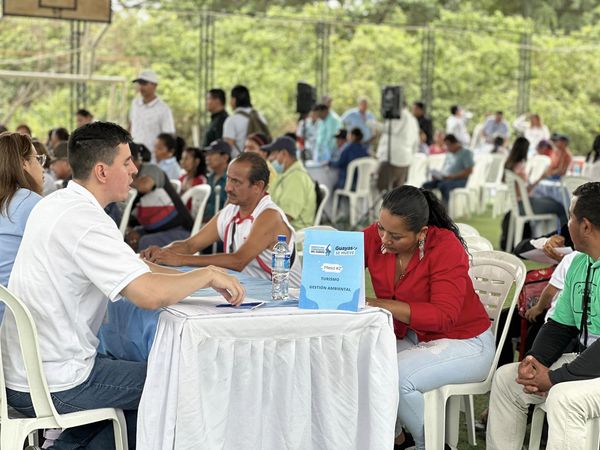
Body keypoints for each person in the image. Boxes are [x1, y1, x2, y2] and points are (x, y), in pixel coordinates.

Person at [1, 122, 244, 450]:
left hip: (25, 373)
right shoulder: (85, 221)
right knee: (179, 381)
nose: (134, 170)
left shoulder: (57, 203)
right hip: (56, 382)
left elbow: (136, 267)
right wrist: (207, 275)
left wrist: (191, 276)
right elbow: (148, 294)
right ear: (102, 171)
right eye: (127, 161)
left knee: (138, 374)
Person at [364, 186, 494, 450]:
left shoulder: (445, 246)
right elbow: (342, 257)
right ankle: (397, 440)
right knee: (362, 361)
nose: (384, 239)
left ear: (421, 233)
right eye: (381, 228)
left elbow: (444, 316)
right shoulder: (379, 235)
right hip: (414, 336)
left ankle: (432, 445)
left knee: (397, 377)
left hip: (466, 342)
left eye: (395, 236)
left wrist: (381, 304)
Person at [487, 182, 600, 450]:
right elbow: (560, 325)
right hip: (587, 361)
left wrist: (554, 378)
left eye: (570, 217)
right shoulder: (578, 262)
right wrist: (535, 361)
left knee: (563, 397)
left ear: (585, 226)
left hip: (592, 365)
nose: (566, 224)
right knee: (508, 380)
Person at [141, 152, 302, 288]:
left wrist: (180, 259)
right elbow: (190, 245)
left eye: (236, 182)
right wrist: (160, 253)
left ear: (258, 186)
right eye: (228, 179)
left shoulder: (270, 216)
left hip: (286, 298)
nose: (228, 188)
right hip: (254, 292)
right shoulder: (230, 211)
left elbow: (238, 261)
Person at [125, 142, 193, 251]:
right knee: (127, 238)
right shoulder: (131, 182)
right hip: (154, 230)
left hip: (181, 231)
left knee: (143, 242)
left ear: (131, 159)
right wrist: (129, 230)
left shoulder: (151, 169)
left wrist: (121, 180)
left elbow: (145, 186)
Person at [0, 131, 44, 290]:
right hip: (12, 303)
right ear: (24, 163)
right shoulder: (30, 202)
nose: (43, 168)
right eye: (38, 159)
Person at [264, 136, 316, 230]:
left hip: (293, 233)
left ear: (284, 153)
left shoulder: (297, 178)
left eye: (273, 154)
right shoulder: (284, 175)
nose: (270, 159)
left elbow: (286, 217)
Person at [129, 69, 175, 160]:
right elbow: (131, 126)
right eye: (139, 83)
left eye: (144, 83)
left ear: (155, 85)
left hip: (153, 158)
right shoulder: (135, 104)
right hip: (134, 156)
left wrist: (161, 158)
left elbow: (168, 137)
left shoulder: (164, 109)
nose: (141, 87)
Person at [376, 102, 420, 191]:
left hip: (393, 159)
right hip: (405, 160)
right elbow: (416, 142)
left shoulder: (399, 115)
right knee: (397, 192)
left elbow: (391, 129)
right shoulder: (413, 119)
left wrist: (375, 124)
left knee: (382, 188)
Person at [422, 134, 474, 205]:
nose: (446, 147)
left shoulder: (466, 153)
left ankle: (444, 209)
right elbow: (444, 169)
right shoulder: (449, 154)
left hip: (460, 180)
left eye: (448, 145)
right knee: (426, 185)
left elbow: (469, 170)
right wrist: (438, 176)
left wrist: (453, 177)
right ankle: (428, 207)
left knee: (443, 186)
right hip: (445, 179)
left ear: (454, 144)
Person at [222, 84, 269, 156]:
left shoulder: (231, 120)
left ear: (234, 100)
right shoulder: (261, 117)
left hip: (240, 160)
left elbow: (227, 148)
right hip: (260, 159)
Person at [203, 139, 231, 222]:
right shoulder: (209, 178)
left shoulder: (232, 180)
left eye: (212, 154)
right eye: (207, 154)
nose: (208, 158)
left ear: (225, 157)